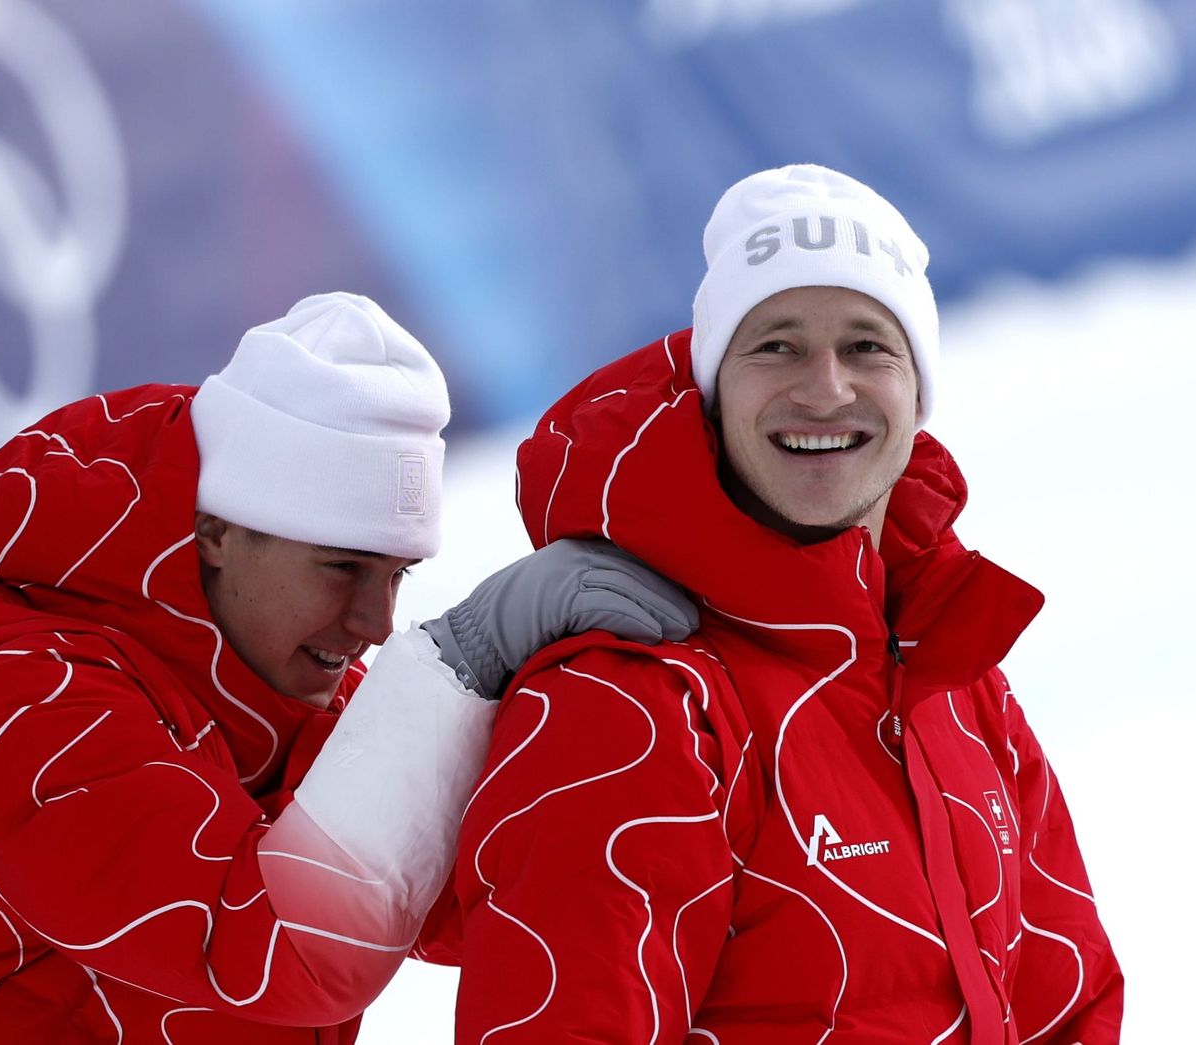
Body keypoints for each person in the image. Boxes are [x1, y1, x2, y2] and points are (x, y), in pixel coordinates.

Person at [0, 292, 697, 1043]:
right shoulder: (21, 700)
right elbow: (283, 949)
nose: (372, 623)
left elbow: (442, 885)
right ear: (222, 531)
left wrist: (599, 719)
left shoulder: (274, 672)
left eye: (397, 576)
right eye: (342, 569)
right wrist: (455, 666)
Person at [451, 166, 1123, 1042]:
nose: (825, 388)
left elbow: (1065, 998)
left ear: (919, 392)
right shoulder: (632, 706)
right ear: (713, 390)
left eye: (868, 345)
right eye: (775, 344)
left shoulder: (952, 673)